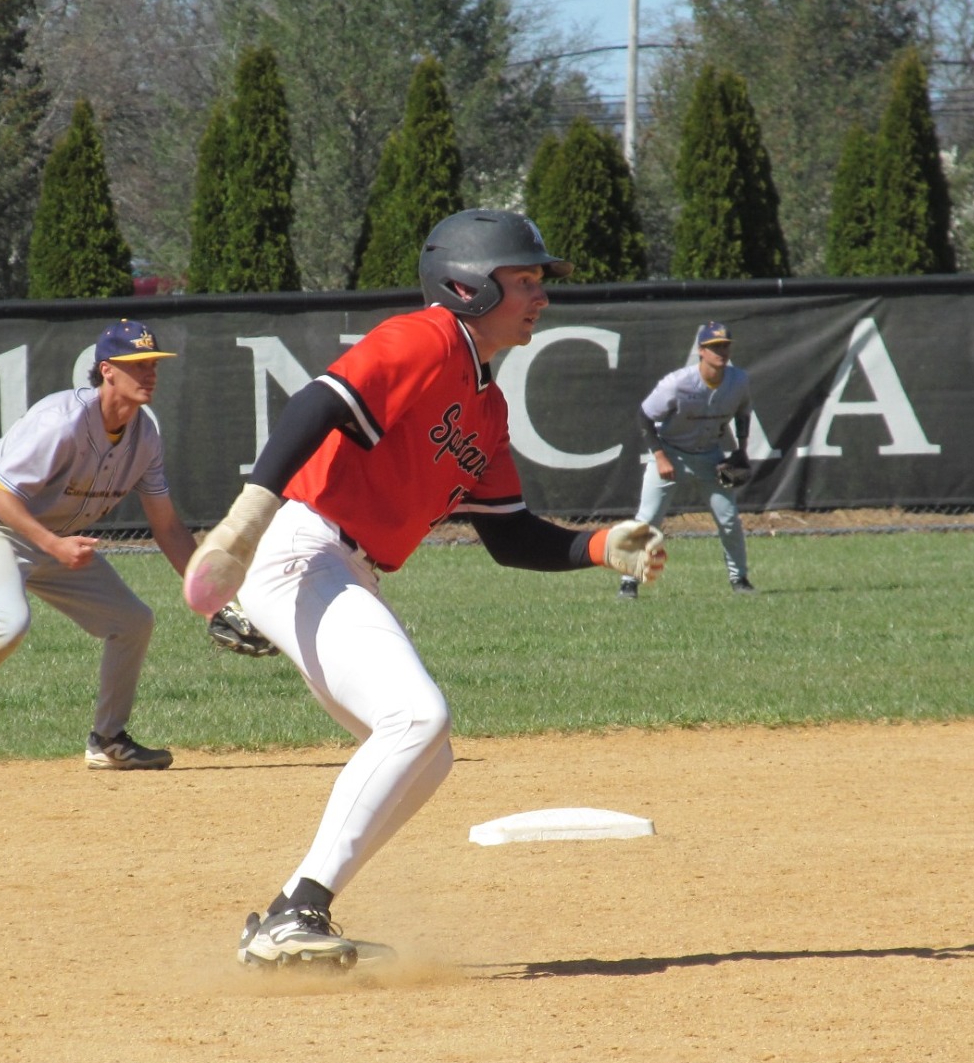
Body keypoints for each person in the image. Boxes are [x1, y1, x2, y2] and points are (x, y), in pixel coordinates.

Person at [181, 209, 668, 968]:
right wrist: (247, 519)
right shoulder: (427, 336)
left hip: (345, 566)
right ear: (468, 285)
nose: (542, 294)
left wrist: (602, 546)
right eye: (526, 279)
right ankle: (296, 911)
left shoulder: (487, 406)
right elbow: (317, 403)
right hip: (297, 544)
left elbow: (510, 537)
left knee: (426, 749)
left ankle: (287, 912)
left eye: (542, 280)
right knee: (417, 715)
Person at [0, 319, 198, 775]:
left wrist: (214, 597)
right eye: (138, 364)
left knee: (133, 621)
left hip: (55, 539)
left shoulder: (144, 434)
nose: (150, 372)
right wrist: (53, 545)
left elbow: (168, 527)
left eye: (153, 363)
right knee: (8, 622)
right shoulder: (62, 421)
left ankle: (108, 740)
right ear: (108, 370)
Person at [619, 320, 757, 600]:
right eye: (714, 346)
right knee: (647, 520)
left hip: (710, 455)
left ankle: (739, 579)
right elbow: (645, 415)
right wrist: (659, 457)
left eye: (725, 346)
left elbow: (743, 413)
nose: (721, 351)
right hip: (671, 451)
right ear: (701, 351)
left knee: (729, 520)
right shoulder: (678, 383)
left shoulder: (738, 380)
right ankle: (628, 582)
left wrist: (741, 450)